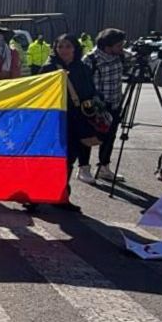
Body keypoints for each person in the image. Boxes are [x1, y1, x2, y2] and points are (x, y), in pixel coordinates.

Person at [40, 34, 97, 212]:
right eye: (60, 46)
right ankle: (36, 197)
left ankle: (61, 195)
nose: (64, 50)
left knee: (69, 158)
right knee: (46, 159)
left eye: (68, 46)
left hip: (75, 119)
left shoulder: (82, 68)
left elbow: (90, 91)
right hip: (53, 120)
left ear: (75, 48)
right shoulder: (49, 68)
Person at [80, 28, 127, 183]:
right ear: (107, 46)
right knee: (88, 137)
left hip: (115, 103)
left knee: (109, 137)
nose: (122, 48)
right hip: (96, 106)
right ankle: (83, 168)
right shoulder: (90, 59)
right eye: (119, 45)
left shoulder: (119, 56)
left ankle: (103, 168)